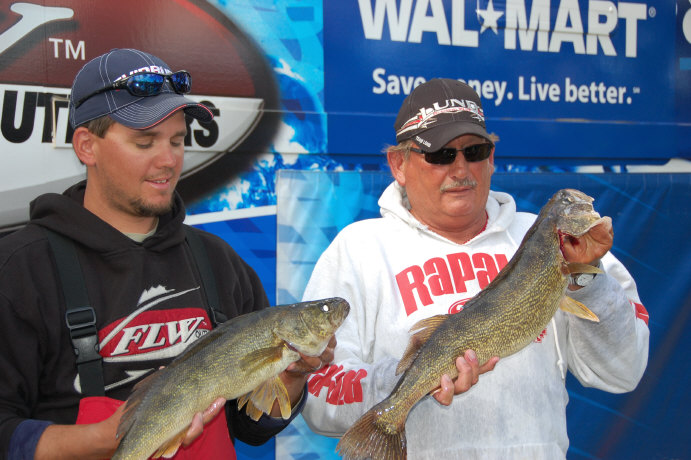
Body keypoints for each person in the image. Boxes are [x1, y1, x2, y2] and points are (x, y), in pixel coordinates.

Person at [0, 48, 332, 460]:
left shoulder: (220, 262)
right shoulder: (20, 269)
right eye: (145, 142)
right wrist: (105, 439)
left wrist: (292, 376)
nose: (168, 160)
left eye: (177, 141)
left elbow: (251, 426)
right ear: (87, 146)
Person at [301, 78, 650, 459]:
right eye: (440, 155)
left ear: (492, 158)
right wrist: (410, 379)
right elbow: (316, 394)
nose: (460, 168)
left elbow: (624, 371)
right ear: (399, 164)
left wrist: (585, 276)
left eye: (474, 151)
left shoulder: (555, 243)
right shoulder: (358, 249)